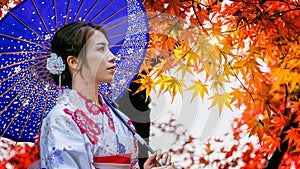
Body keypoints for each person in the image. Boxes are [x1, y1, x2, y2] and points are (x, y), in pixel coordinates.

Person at [36, 22, 175, 169]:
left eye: (108, 48)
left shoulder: (121, 120)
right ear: (74, 61)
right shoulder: (61, 119)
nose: (112, 56)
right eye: (101, 49)